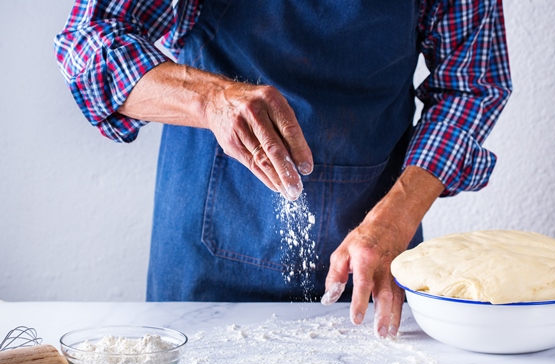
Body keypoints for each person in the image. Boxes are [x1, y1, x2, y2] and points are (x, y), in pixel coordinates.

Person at [54, 0, 511, 338]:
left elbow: (472, 86)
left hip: (374, 257)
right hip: (204, 268)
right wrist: (211, 100)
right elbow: (89, 39)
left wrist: (398, 215)